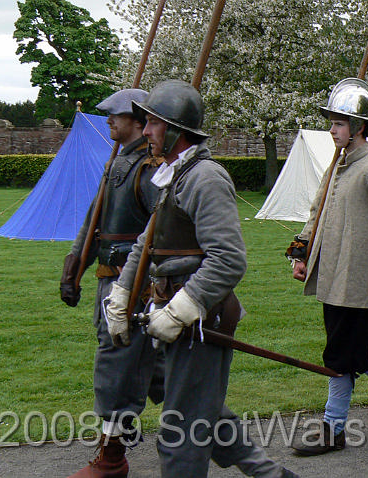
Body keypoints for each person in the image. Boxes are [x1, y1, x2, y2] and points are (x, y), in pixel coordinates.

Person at [104, 79, 297, 478]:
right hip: (170, 315)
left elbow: (228, 259)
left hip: (200, 323)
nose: (145, 132)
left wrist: (179, 312)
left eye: (153, 124)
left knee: (183, 433)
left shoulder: (205, 178)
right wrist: (122, 295)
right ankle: (271, 475)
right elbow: (147, 242)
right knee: (200, 410)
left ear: (174, 130)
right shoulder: (174, 174)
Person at [287, 78, 368, 456]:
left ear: (359, 128)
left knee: (341, 356)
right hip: (333, 279)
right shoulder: (338, 167)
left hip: (359, 285)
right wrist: (302, 253)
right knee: (351, 350)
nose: (331, 130)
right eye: (332, 123)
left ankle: (333, 428)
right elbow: (318, 213)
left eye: (339, 123)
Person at [59, 88, 164, 478]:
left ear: (138, 122)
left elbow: (163, 230)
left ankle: (112, 458)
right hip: (110, 282)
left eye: (116, 116)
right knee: (158, 373)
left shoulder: (151, 170)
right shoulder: (116, 164)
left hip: (136, 286)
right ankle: (206, 433)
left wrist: (151, 283)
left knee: (117, 367)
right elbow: (92, 225)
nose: (109, 122)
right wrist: (73, 268)